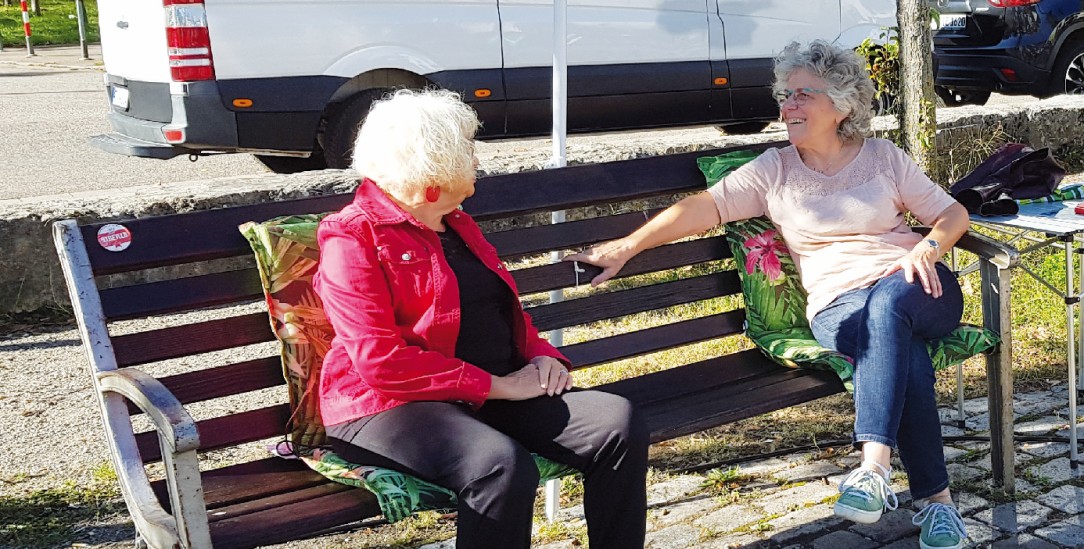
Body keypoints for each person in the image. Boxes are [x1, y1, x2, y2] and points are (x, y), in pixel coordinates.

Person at [566, 40, 970, 549]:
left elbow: (952, 214)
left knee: (888, 306)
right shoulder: (774, 170)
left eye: (803, 94)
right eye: (785, 93)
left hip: (918, 285)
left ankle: (873, 467)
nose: (788, 105)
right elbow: (700, 207)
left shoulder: (884, 158)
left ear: (843, 103)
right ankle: (938, 506)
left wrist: (927, 250)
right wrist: (628, 246)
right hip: (840, 305)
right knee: (894, 342)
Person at [312, 88, 649, 549]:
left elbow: (498, 309)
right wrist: (500, 386)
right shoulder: (351, 238)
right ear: (435, 168)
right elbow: (381, 364)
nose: (476, 159)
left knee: (617, 422)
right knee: (500, 465)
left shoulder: (455, 222)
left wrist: (540, 355)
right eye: (466, 149)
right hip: (386, 408)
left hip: (483, 392)